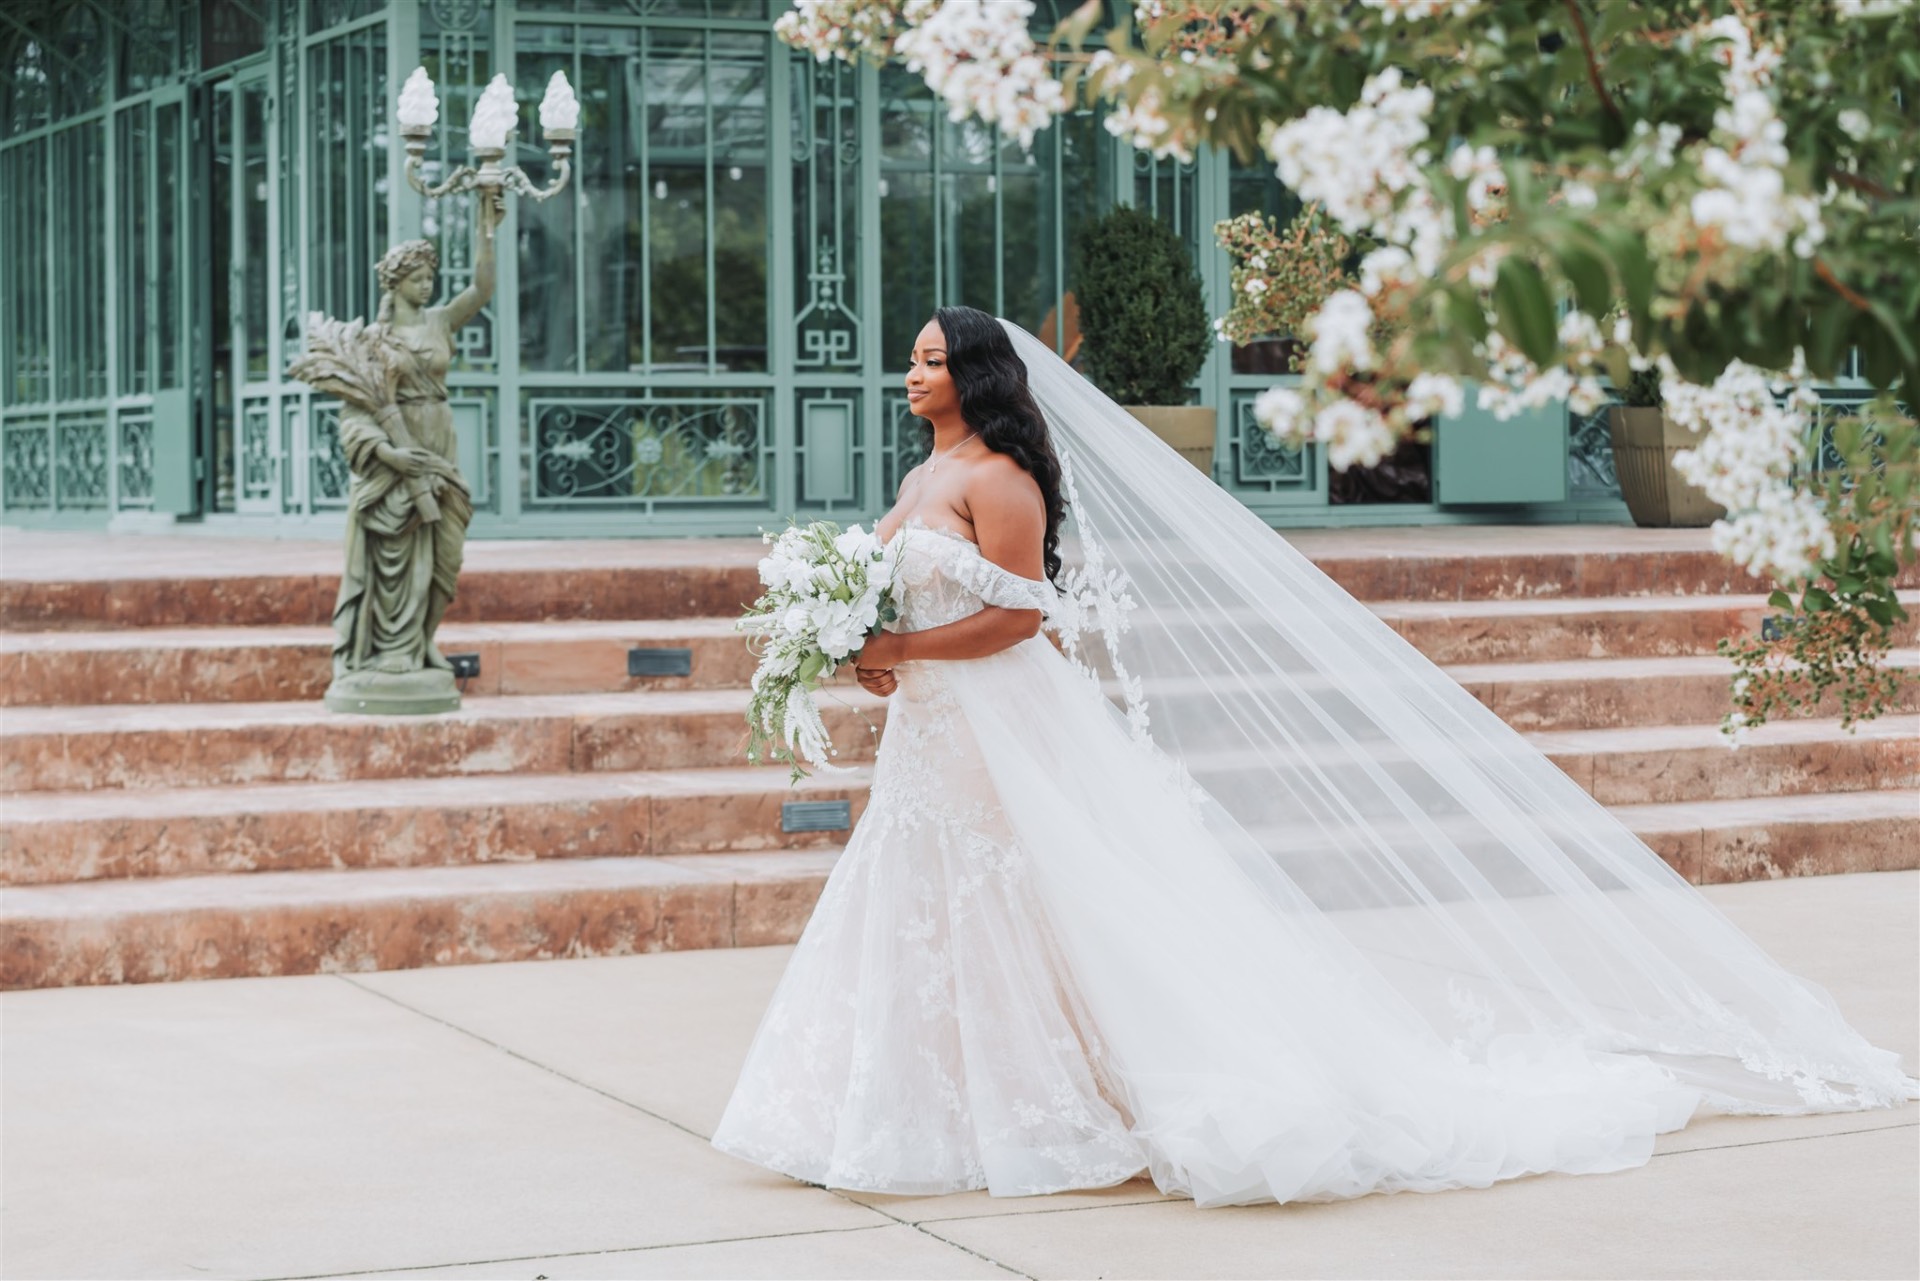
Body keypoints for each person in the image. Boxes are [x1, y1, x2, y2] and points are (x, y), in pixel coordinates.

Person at [708, 305, 1916, 1208]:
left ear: (973, 375)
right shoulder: (925, 471)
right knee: (925, 901)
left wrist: (904, 639)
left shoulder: (1004, 477)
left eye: (927, 357)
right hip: (934, 724)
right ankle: (927, 1103)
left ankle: (1067, 1098)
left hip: (1001, 720)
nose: (909, 373)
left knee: (1025, 897)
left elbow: (1026, 613)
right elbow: (901, 599)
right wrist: (863, 645)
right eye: (913, 358)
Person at [326, 197, 497, 709]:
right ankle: (392, 649)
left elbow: (483, 289)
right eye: (418, 276)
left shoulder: (441, 321)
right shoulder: (371, 341)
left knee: (446, 551)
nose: (428, 285)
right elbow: (353, 413)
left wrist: (486, 229)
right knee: (396, 552)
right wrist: (389, 455)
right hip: (393, 458)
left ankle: (423, 640)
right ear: (396, 281)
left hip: (438, 442)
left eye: (430, 276)